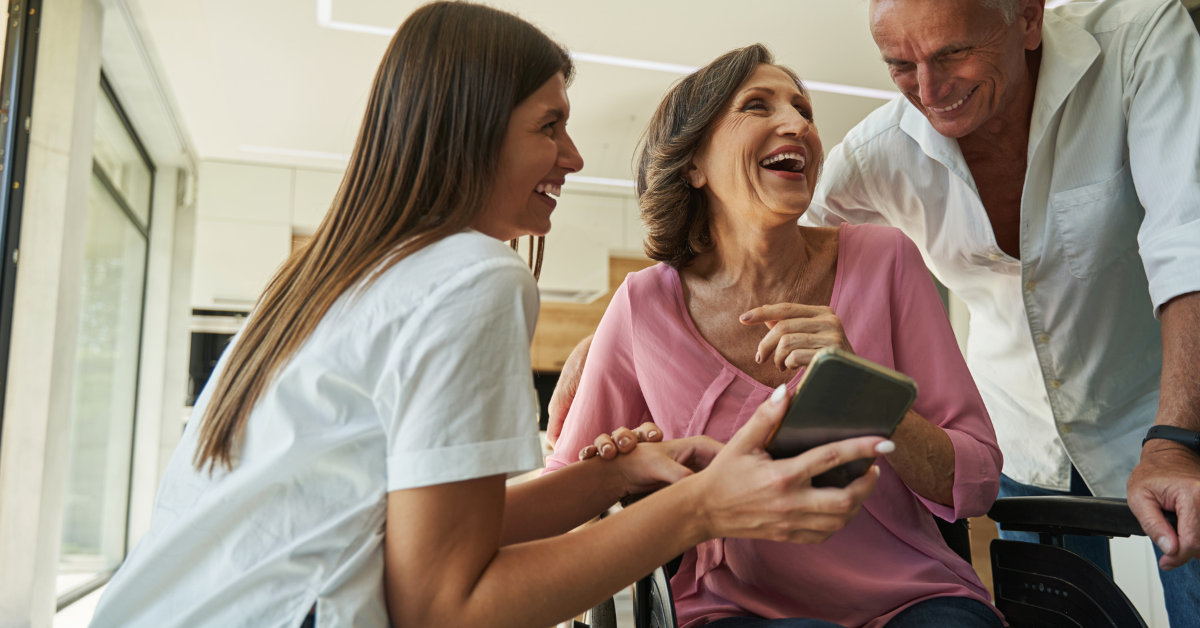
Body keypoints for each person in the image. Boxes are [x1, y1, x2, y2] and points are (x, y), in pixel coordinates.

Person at [87, 4, 892, 628]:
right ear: (468, 132)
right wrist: (705, 506)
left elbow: (426, 529)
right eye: (551, 127)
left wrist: (612, 475)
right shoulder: (473, 275)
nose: (576, 158)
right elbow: (447, 605)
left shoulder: (321, 281)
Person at [551, 0, 1200, 620]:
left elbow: (1188, 243)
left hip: (1172, 409)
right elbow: (761, 233)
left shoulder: (1138, 42)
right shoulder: (880, 152)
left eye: (953, 52)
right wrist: (619, 326)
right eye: (899, 64)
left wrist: (1176, 437)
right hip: (1027, 434)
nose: (928, 88)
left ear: (1028, 17)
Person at [546, 45, 1004, 628]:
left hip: (909, 596)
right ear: (693, 164)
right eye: (756, 106)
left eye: (804, 111)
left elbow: (977, 478)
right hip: (729, 606)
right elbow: (563, 491)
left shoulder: (884, 259)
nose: (798, 125)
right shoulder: (642, 305)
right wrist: (606, 463)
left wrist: (861, 386)